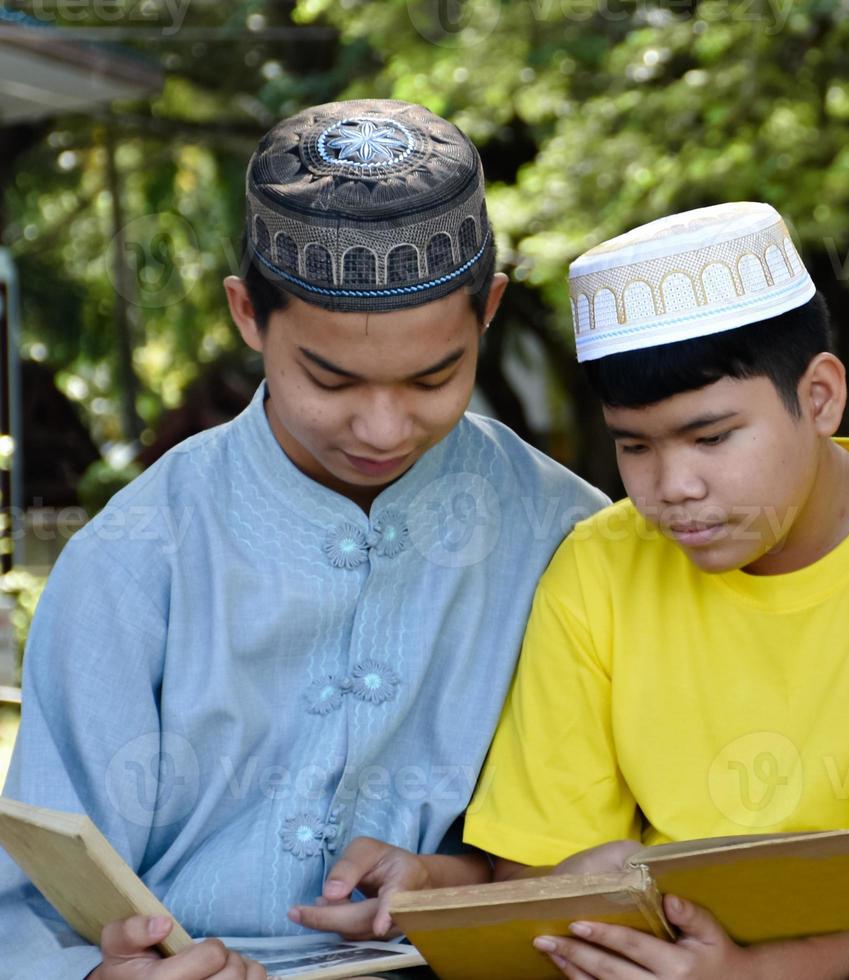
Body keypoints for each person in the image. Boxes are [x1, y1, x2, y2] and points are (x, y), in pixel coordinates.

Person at [0, 99, 607, 980]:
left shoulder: (570, 534)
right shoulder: (139, 554)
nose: (383, 426)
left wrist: (461, 881)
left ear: (490, 311)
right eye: (329, 377)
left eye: (434, 377)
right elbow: (34, 895)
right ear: (249, 316)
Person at [462, 203, 849, 979]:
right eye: (633, 446)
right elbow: (534, 871)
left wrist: (755, 975)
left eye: (712, 438)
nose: (673, 487)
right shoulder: (597, 566)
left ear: (819, 398)